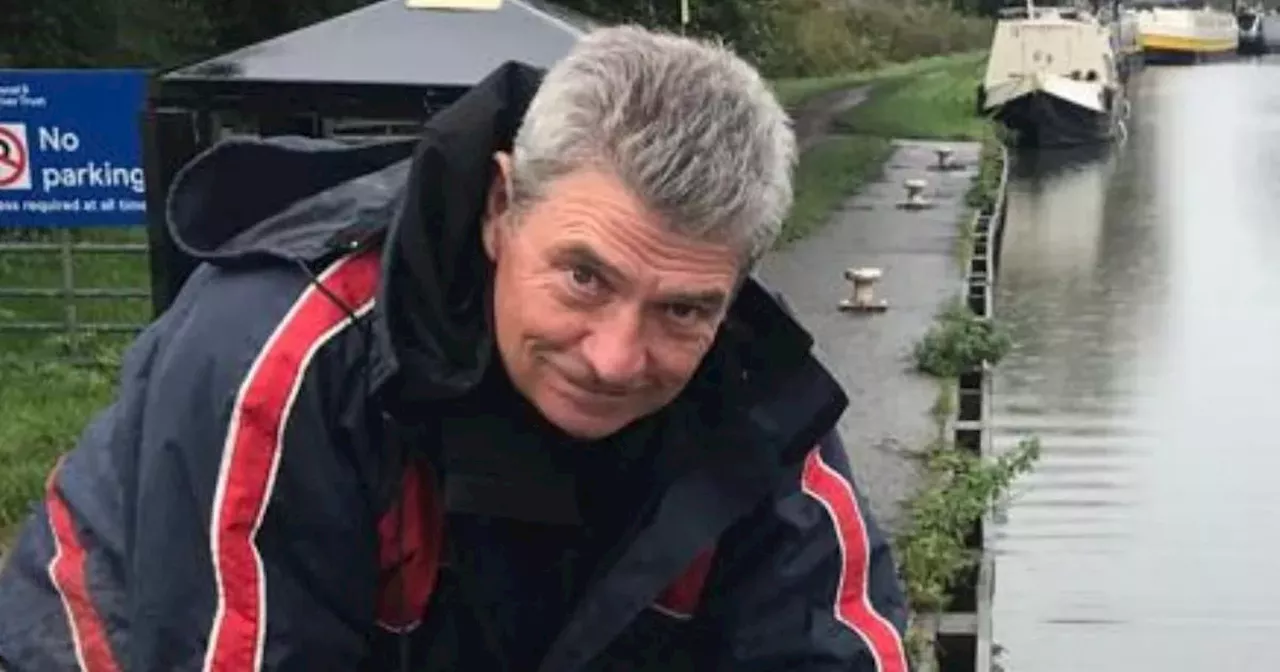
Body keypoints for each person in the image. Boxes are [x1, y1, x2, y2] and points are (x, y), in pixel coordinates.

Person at [0, 26, 909, 672]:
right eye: (584, 278)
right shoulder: (279, 358)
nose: (616, 357)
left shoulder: (749, 392)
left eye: (681, 311)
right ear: (500, 207)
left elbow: (828, 640)